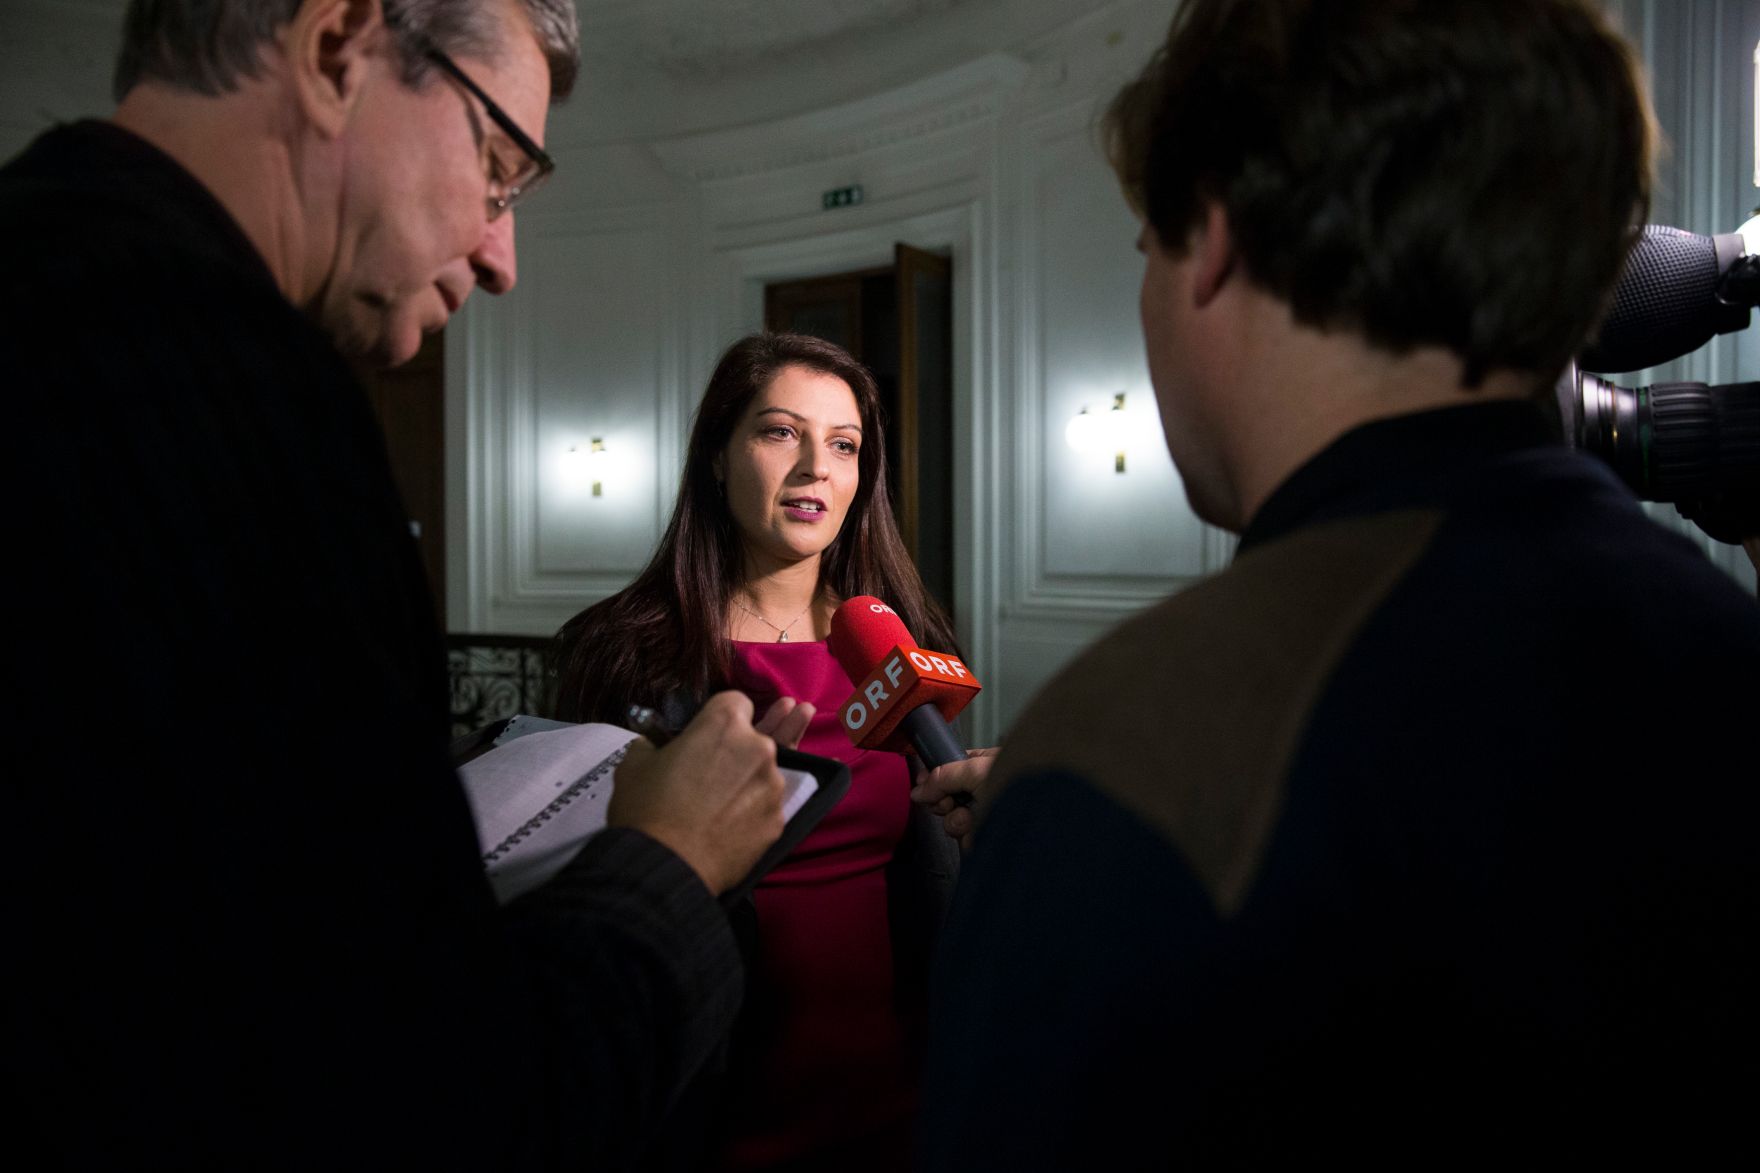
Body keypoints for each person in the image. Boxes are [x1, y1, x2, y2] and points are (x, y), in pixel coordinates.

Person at [918, 0, 1760, 1166]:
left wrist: (1080, 833)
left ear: (1209, 238)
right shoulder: (1721, 645)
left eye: (1142, 250)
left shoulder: (1133, 759)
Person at [2, 1, 788, 1168]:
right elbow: (430, 1109)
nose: (500, 257)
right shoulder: (233, 411)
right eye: (497, 168)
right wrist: (666, 869)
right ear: (336, 46)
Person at [550, 331, 964, 1170]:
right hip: (707, 1092)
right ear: (717, 454)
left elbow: (928, 875)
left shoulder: (900, 644)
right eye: (781, 432)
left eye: (843, 445)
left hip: (894, 1085)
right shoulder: (619, 651)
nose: (816, 466)